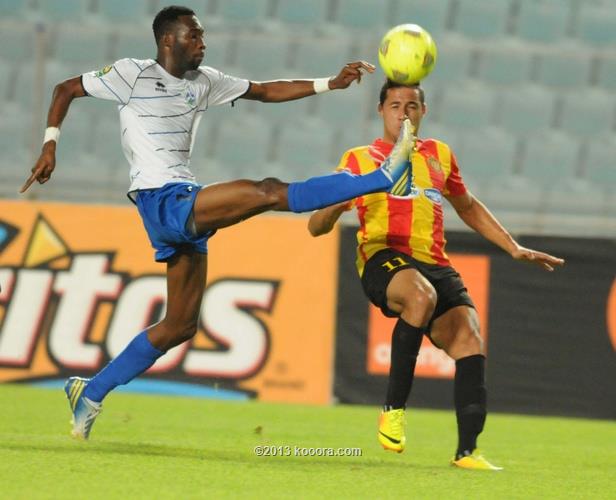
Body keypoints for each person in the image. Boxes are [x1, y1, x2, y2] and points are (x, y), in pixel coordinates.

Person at [20, 6, 417, 440]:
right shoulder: (131, 74)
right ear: (168, 40)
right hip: (163, 199)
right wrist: (49, 145)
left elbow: (265, 91)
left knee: (180, 325)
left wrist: (331, 83)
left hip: (180, 201)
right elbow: (64, 89)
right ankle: (381, 178)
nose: (203, 43)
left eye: (203, 37)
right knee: (267, 191)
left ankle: (89, 392)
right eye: (195, 36)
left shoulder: (203, 81)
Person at [308, 79, 565, 470]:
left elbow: (467, 205)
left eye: (411, 106)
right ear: (380, 111)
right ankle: (393, 411)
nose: (403, 113)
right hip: (383, 257)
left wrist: (512, 247)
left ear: (423, 113)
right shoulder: (360, 159)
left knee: (469, 338)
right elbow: (315, 226)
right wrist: (339, 200)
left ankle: (467, 452)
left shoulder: (439, 155)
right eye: (395, 106)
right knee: (420, 295)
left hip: (433, 261)